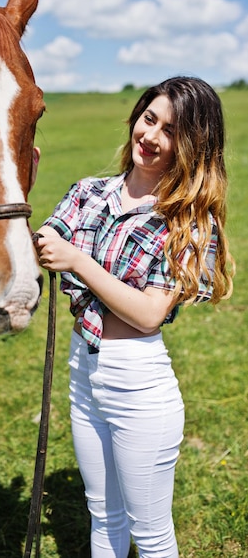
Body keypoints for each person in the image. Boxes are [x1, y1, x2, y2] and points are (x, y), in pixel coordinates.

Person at [33, 76, 234, 558]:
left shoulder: (187, 219)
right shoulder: (88, 193)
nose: (152, 136)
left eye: (171, 131)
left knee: (151, 534)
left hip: (139, 389)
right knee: (102, 515)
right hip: (84, 373)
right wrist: (21, 187)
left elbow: (148, 314)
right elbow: (41, 249)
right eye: (149, 119)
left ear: (193, 147)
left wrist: (78, 261)